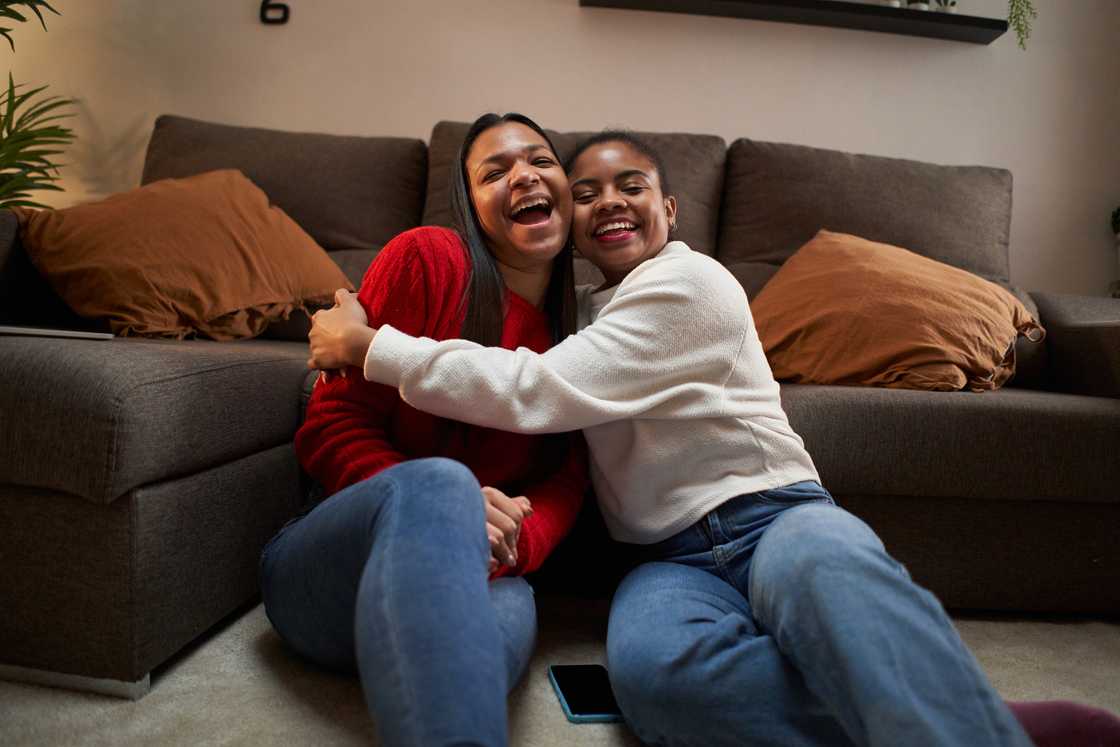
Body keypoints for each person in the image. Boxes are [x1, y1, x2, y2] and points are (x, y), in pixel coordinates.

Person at [307, 132, 1120, 746]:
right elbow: (559, 446)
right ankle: (938, 705)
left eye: (633, 186)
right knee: (659, 680)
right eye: (586, 193)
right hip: (666, 561)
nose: (610, 201)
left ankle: (949, 719)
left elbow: (540, 391)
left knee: (836, 582)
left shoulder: (690, 282)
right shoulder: (580, 318)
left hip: (775, 516)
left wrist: (369, 344)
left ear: (670, 210)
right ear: (574, 230)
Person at [260, 112, 588, 747]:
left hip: (486, 571)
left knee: (489, 639)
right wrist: (453, 503)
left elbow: (568, 476)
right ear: (470, 205)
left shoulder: (586, 332)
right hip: (331, 563)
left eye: (541, 161)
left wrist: (519, 540)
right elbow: (333, 425)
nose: (523, 174)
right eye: (495, 171)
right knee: (440, 484)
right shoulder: (428, 259)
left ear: (567, 191)